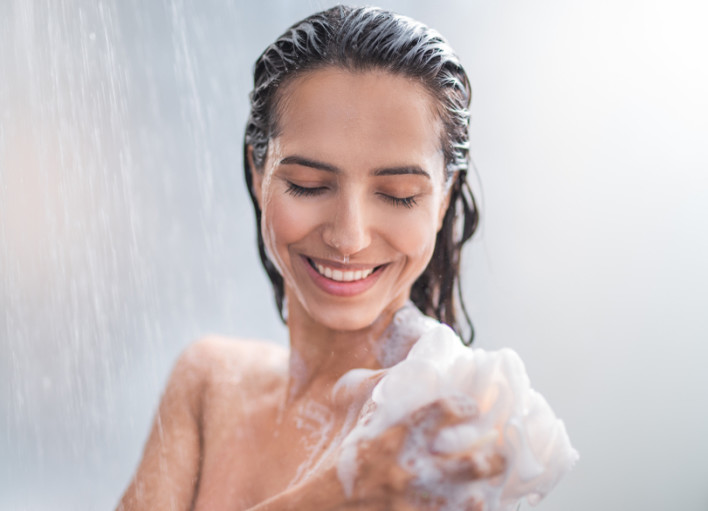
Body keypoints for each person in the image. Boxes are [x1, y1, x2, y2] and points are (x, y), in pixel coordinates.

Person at [117, 5, 500, 510]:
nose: (349, 236)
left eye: (400, 194)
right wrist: (332, 493)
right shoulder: (208, 382)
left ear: (444, 199)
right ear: (259, 176)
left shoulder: (445, 430)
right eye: (308, 185)